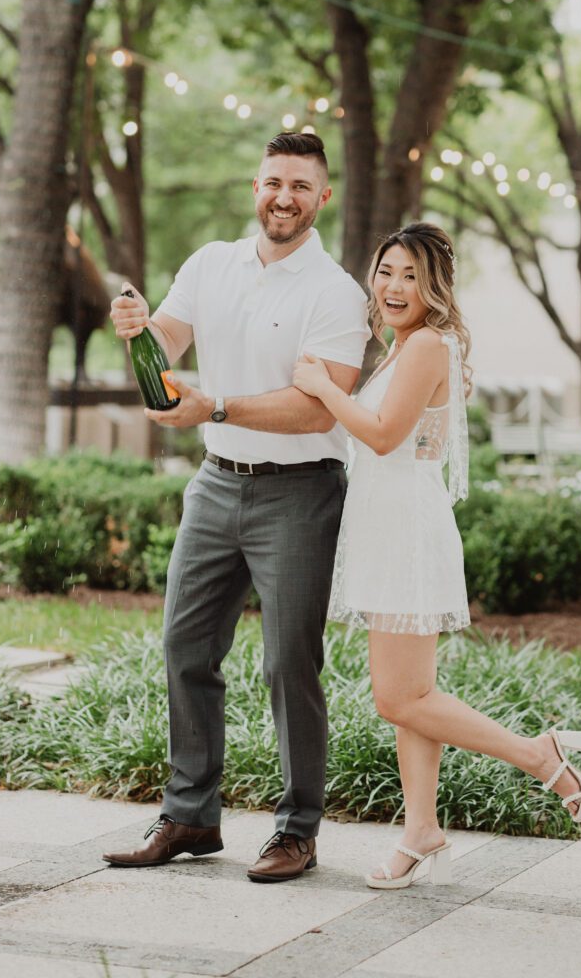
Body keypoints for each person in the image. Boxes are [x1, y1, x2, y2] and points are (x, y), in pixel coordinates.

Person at [292, 221, 581, 890]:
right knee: (412, 696)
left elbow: (380, 433)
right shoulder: (404, 348)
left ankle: (538, 756)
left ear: (435, 288)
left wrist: (319, 384)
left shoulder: (427, 345)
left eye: (410, 276)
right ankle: (422, 830)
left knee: (398, 698)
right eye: (387, 272)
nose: (395, 286)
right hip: (388, 526)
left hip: (405, 531)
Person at [103, 132, 369, 882]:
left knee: (290, 663)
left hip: (301, 492)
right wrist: (138, 329)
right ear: (255, 186)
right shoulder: (210, 263)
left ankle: (297, 830)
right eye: (272, 182)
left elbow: (318, 411)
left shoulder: (336, 292)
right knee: (185, 649)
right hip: (215, 484)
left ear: (323, 198)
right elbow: (169, 340)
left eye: (299, 186)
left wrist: (212, 404)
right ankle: (190, 817)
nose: (283, 197)